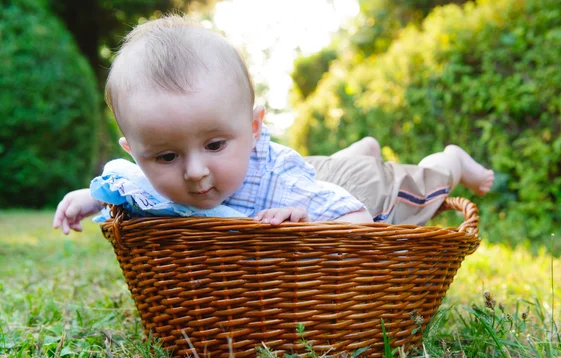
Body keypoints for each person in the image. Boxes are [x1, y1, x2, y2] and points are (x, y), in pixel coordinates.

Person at [53, 15, 494, 235]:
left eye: (214, 145)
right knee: (322, 172)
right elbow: (124, 185)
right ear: (136, 151)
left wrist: (303, 226)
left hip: (352, 194)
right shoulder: (149, 174)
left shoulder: (285, 183)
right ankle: (360, 149)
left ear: (254, 126)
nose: (194, 172)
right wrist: (88, 198)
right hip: (312, 173)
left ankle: (449, 160)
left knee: (409, 197)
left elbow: (359, 222)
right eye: (166, 156)